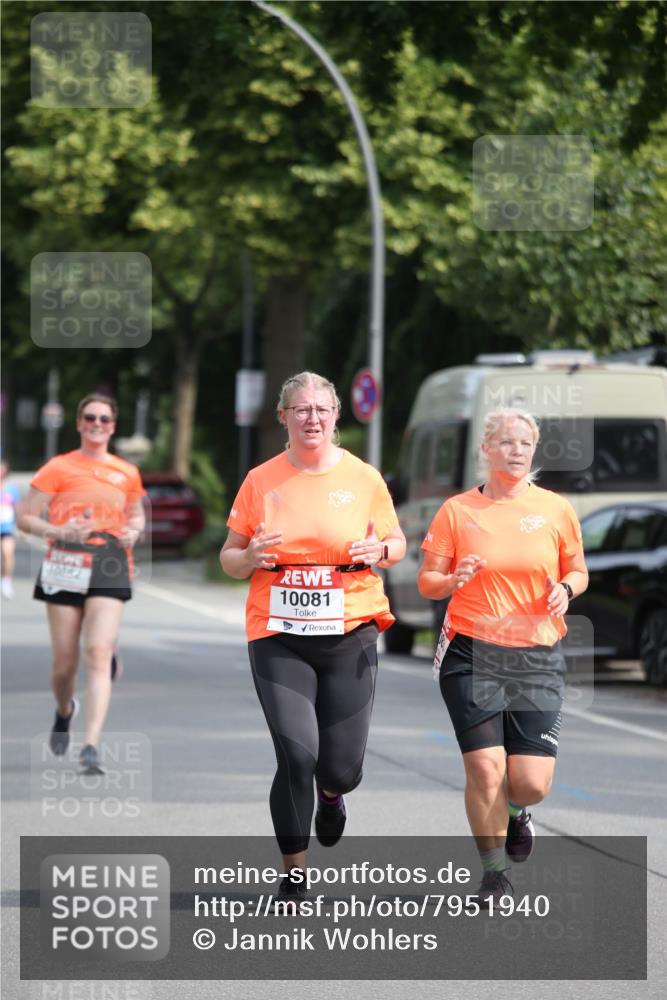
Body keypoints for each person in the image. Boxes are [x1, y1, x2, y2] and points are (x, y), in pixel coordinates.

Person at [220, 372, 406, 909]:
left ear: (336, 415)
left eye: (322, 409)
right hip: (279, 634)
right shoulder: (261, 480)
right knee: (296, 754)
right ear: (283, 417)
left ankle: (332, 796)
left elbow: (396, 542)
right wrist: (249, 556)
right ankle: (295, 876)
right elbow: (229, 557)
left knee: (341, 769)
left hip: (350, 631)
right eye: (301, 409)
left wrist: (380, 552)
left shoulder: (363, 477)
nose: (312, 418)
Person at [418, 407, 588, 907]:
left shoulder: (556, 509)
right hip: (472, 650)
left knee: (529, 783)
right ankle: (493, 876)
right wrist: (452, 580)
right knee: (485, 769)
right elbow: (428, 581)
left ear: (534, 451)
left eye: (525, 443)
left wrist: (564, 589)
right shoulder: (457, 511)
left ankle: (518, 811)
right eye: (507, 442)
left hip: (537, 654)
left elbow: (578, 570)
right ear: (486, 448)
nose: (517, 451)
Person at [17, 394, 145, 775]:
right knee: (64, 665)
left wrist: (134, 532)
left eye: (104, 419)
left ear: (113, 426)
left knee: (98, 651)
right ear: (78, 423)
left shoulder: (126, 472)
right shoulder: (58, 467)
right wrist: (60, 531)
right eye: (90, 417)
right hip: (65, 561)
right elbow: (25, 518)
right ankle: (64, 709)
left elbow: (136, 515)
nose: (97, 424)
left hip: (110, 560)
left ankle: (90, 746)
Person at [1, 461, 20, 599]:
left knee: (7, 554)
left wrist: (22, 527)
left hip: (6, 528)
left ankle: (6, 582)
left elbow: (17, 508)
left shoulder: (12, 489)